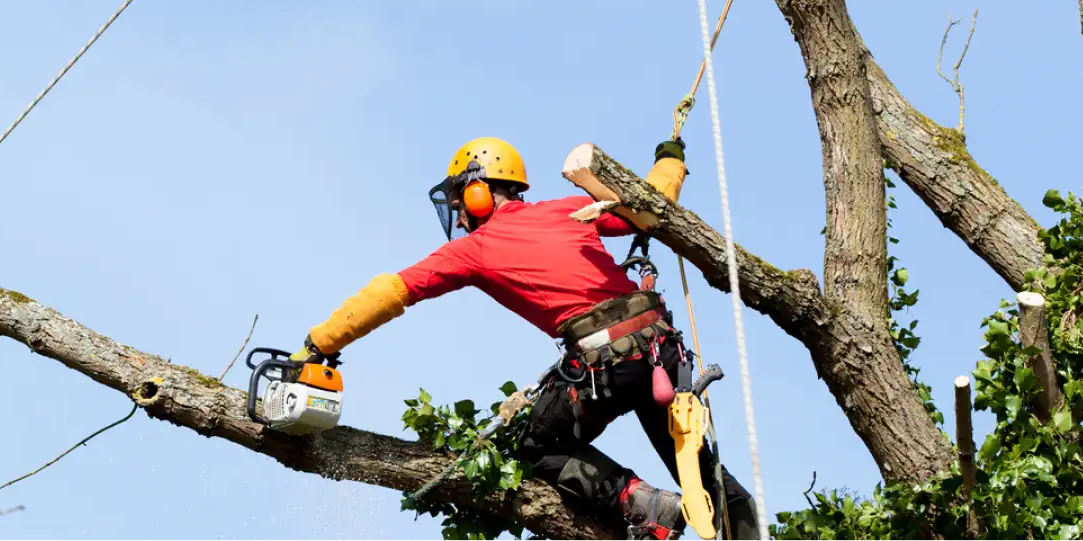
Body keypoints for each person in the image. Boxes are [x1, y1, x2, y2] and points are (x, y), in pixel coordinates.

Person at [285, 137, 760, 540]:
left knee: (535, 448)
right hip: (659, 353)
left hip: (605, 366)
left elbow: (393, 291)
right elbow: (653, 207)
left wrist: (320, 343)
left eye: (459, 204)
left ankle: (637, 502)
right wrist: (670, 157)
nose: (460, 217)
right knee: (698, 467)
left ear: (478, 192)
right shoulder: (570, 208)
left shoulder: (475, 248)